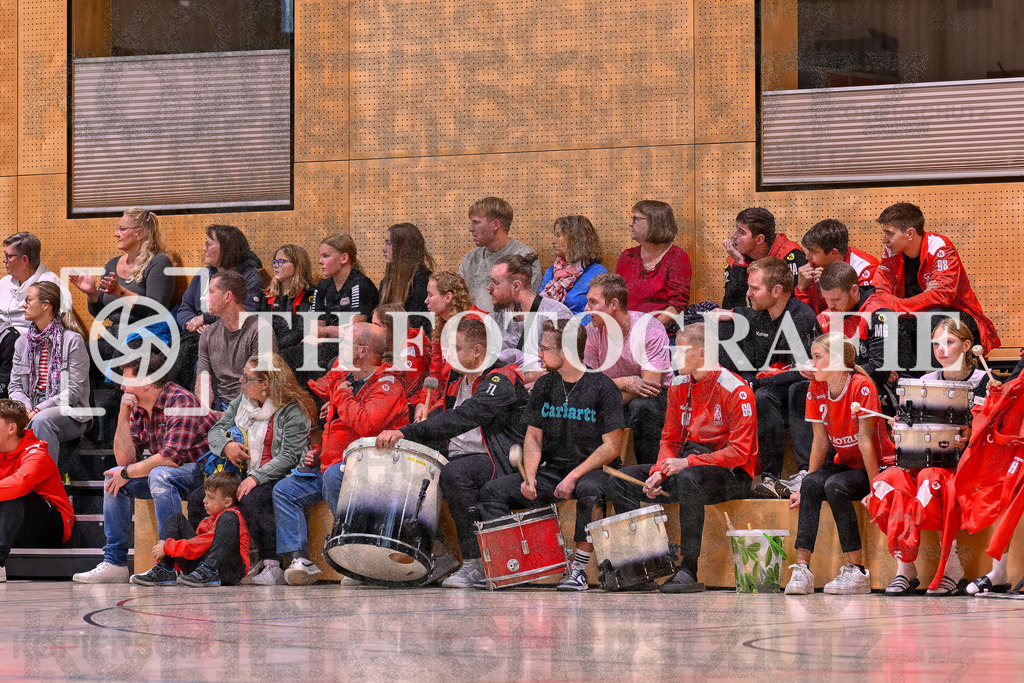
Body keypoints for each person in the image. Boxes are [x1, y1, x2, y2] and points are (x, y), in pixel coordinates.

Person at [377, 316, 530, 588]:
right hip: (464, 457)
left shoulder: (501, 379)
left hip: (500, 461)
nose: (449, 354)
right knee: (409, 468)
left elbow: (464, 417)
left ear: (478, 352)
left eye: (457, 348)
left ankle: (474, 563)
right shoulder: (458, 381)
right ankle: (434, 553)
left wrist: (407, 432)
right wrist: (411, 431)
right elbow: (443, 416)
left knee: (454, 474)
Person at [606, 323, 757, 593]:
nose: (674, 358)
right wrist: (659, 472)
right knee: (622, 480)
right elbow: (670, 439)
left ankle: (689, 568)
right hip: (689, 466)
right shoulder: (678, 384)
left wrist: (686, 463)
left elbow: (739, 453)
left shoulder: (736, 389)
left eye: (681, 351)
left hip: (731, 475)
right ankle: (642, 565)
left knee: (688, 477)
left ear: (702, 354)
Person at [478, 318, 625, 591]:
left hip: (596, 470)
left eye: (545, 348)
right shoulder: (545, 386)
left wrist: (573, 476)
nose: (540, 354)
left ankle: (579, 570)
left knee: (591, 490)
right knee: (492, 492)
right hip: (554, 469)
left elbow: (612, 447)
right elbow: (533, 436)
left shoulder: (604, 388)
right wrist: (530, 476)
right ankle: (513, 565)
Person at [272, 323, 407, 586]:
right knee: (284, 489)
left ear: (362, 351)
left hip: (374, 468)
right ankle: (302, 560)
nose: (339, 350)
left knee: (336, 475)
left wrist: (342, 399)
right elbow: (341, 431)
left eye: (345, 344)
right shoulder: (346, 380)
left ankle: (357, 558)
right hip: (334, 465)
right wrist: (319, 451)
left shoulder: (387, 384)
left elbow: (367, 424)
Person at [72, 350, 220, 583]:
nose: (122, 387)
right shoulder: (139, 409)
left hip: (206, 473)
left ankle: (168, 564)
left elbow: (170, 458)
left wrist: (126, 472)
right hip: (175, 472)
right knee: (114, 480)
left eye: (127, 381)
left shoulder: (180, 401)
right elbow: (124, 461)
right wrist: (123, 415)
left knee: (161, 475)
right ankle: (115, 563)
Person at [869, 319, 985, 596]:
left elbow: (987, 436)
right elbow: (911, 433)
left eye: (949, 342)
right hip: (922, 464)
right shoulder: (923, 383)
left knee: (930, 480)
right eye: (936, 343)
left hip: (965, 468)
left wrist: (972, 433)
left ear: (967, 345)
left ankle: (951, 566)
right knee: (886, 482)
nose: (941, 349)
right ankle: (905, 567)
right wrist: (901, 427)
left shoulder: (983, 383)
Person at [190, 354, 316, 585]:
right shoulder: (242, 402)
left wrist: (256, 477)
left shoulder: (292, 409)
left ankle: (272, 563)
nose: (241, 382)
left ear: (265, 383)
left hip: (280, 474)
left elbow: (289, 456)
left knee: (253, 497)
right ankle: (202, 562)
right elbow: (215, 431)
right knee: (199, 498)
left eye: (247, 378)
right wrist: (227, 446)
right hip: (243, 472)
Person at [784, 335, 890, 596]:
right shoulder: (815, 389)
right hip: (846, 463)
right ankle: (802, 568)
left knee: (835, 486)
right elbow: (820, 442)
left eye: (818, 357)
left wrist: (875, 489)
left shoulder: (862, 387)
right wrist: (804, 488)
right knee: (810, 482)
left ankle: (857, 570)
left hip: (876, 466)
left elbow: (866, 441)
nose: (812, 363)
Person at [787, 261, 895, 492]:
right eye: (826, 300)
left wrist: (836, 372)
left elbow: (882, 368)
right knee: (798, 390)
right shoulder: (826, 316)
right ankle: (810, 471)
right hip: (836, 385)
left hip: (874, 387)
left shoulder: (879, 313)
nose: (830, 307)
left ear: (854, 290)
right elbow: (817, 356)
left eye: (836, 300)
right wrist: (812, 367)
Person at [720, 256, 820, 497]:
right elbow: (749, 364)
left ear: (777, 291)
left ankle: (807, 471)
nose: (749, 293)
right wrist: (747, 383)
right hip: (772, 392)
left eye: (755, 288)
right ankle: (769, 477)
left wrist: (758, 381)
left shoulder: (801, 317)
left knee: (798, 389)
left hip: (803, 392)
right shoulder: (759, 316)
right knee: (761, 395)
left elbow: (804, 372)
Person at [871, 202, 1000, 356]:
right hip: (913, 317)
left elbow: (940, 297)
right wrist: (922, 297)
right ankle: (906, 379)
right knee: (884, 319)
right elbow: (877, 293)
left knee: (935, 316)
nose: (884, 239)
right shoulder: (892, 251)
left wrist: (897, 305)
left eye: (889, 233)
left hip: (958, 317)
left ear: (910, 234)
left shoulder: (940, 247)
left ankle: (942, 378)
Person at [69, 208, 175, 369]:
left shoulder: (159, 262)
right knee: (73, 353)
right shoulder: (113, 264)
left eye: (122, 229)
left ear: (139, 233)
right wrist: (91, 293)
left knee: (114, 357)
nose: (115, 234)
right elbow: (100, 313)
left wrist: (120, 292)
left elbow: (156, 308)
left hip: (145, 336)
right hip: (115, 334)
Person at [583, 273, 671, 465]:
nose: (586, 309)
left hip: (656, 398)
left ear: (614, 304)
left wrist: (606, 394)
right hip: (617, 394)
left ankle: (650, 473)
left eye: (592, 302)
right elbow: (588, 385)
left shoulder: (650, 329)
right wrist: (624, 383)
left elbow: (650, 387)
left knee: (641, 407)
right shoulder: (591, 331)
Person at [8, 282, 91, 465]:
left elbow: (74, 391)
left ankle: (43, 485)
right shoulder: (22, 343)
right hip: (30, 406)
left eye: (29, 300)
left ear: (46, 305)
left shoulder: (72, 341)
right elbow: (14, 386)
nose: (24, 305)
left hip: (70, 411)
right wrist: (26, 408)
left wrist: (38, 409)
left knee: (42, 421)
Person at [174, 225, 264, 389]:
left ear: (226, 248)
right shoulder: (203, 274)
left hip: (232, 338)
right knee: (167, 361)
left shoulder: (249, 277)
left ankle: (203, 410)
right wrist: (193, 324)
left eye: (209, 244)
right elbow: (184, 309)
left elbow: (246, 313)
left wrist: (205, 320)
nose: (204, 248)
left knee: (197, 364)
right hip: (197, 336)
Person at [130, 472, 251, 587]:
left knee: (228, 518)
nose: (204, 500)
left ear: (227, 502)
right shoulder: (209, 519)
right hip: (203, 568)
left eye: (210, 497)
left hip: (229, 571)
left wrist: (168, 547)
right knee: (176, 519)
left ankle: (209, 570)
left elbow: (205, 543)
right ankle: (166, 570)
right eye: (205, 496)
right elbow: (195, 547)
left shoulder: (233, 516)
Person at [0, 400, 75, 583]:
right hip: (13, 527)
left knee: (15, 493)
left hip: (51, 529)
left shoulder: (36, 453)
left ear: (11, 429)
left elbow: (19, 484)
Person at [196, 271, 276, 410]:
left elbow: (259, 387)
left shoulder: (261, 330)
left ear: (228, 297)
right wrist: (206, 414)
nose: (204, 298)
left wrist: (227, 417)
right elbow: (203, 382)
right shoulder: (208, 334)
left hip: (252, 408)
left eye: (211, 292)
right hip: (219, 405)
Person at [487, 254, 572, 381]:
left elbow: (568, 373)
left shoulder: (557, 316)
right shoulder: (494, 317)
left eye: (496, 282)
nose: (489, 288)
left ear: (516, 286)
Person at [416, 272, 483, 420]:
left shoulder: (475, 322)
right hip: (449, 395)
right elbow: (436, 372)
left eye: (430, 295)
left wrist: (435, 407)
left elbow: (465, 378)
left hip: (470, 397)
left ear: (448, 297)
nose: (426, 301)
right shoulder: (442, 324)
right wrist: (423, 403)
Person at [309, 233, 379, 373]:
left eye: (326, 256)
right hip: (330, 344)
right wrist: (334, 331)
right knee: (288, 357)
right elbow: (313, 330)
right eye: (320, 256)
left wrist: (326, 331)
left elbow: (355, 332)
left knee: (318, 362)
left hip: (356, 348)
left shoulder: (359, 285)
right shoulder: (322, 287)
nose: (320, 261)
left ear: (344, 258)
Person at [614, 200, 691, 329]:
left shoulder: (677, 257)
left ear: (654, 223)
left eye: (635, 219)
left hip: (659, 332)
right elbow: (615, 298)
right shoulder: (627, 256)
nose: (630, 224)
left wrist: (648, 331)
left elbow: (677, 306)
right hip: (626, 330)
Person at [459, 197, 542, 311]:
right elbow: (460, 301)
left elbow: (526, 305)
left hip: (510, 326)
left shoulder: (525, 257)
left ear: (495, 224)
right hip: (473, 325)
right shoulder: (470, 259)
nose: (470, 228)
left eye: (476, 222)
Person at [722, 207, 805, 309]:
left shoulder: (790, 255)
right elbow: (730, 308)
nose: (733, 235)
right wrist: (740, 265)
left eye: (741, 232)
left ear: (759, 239)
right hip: (758, 318)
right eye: (736, 229)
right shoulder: (737, 258)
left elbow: (795, 307)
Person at [796, 219, 878, 315]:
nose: (807, 257)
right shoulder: (813, 266)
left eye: (813, 251)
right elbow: (804, 318)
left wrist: (830, 285)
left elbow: (863, 315)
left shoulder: (864, 269)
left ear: (834, 253)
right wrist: (802, 290)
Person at [259, 244, 316, 376]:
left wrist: (274, 347)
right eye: (275, 261)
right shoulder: (269, 294)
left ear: (298, 265)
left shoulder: (308, 294)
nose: (276, 265)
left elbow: (301, 331)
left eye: (281, 262)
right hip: (273, 346)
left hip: (295, 349)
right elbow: (262, 325)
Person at [540, 215, 607, 316]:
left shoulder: (597, 273)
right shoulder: (551, 271)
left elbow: (598, 313)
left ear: (575, 239)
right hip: (550, 328)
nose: (553, 241)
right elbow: (540, 308)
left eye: (558, 236)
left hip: (581, 329)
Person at [0, 232, 61, 336]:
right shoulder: (4, 282)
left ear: (24, 260)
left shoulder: (50, 283)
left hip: (32, 344)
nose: (4, 260)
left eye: (8, 256)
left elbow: (58, 327)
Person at [371, 303, 431, 408]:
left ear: (389, 327)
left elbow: (406, 388)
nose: (372, 330)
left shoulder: (413, 347)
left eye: (377, 326)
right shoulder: (388, 342)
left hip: (414, 404)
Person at [379, 223, 434, 332]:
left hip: (413, 342)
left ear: (403, 247)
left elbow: (418, 324)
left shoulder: (422, 280)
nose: (383, 248)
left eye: (388, 243)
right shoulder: (386, 282)